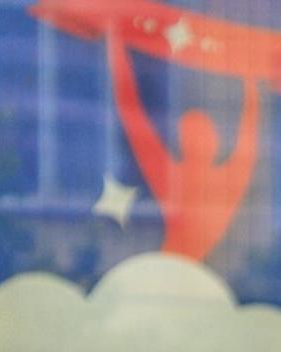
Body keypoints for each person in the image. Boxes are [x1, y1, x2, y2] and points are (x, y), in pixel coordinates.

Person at [107, 29, 262, 263]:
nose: (200, 141)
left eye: (203, 135)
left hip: (194, 270)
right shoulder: (171, 176)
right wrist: (117, 50)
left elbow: (248, 136)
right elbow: (133, 116)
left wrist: (250, 82)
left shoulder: (219, 178)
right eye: (192, 135)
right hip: (174, 268)